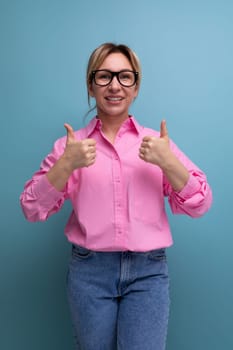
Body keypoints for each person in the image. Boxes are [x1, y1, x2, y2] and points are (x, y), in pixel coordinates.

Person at [20, 42, 212, 350]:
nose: (114, 85)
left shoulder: (157, 144)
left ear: (136, 87)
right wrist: (66, 165)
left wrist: (169, 163)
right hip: (89, 273)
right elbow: (30, 208)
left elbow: (200, 203)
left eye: (125, 77)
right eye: (104, 76)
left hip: (148, 273)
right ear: (91, 84)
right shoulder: (70, 147)